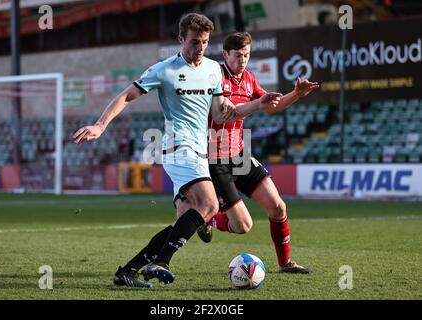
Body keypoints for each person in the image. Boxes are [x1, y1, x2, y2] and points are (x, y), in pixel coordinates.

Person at [73, 14, 283, 288]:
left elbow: (221, 114)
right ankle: (161, 262)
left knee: (189, 219)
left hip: (200, 150)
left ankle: (127, 271)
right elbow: (126, 95)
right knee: (208, 204)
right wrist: (101, 125)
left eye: (205, 42)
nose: (200, 47)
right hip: (178, 147)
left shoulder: (211, 70)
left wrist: (258, 103)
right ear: (181, 39)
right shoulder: (164, 70)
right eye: (194, 42)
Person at [197, 32, 319, 273]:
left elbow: (271, 106)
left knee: (278, 207)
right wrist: (258, 104)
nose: (243, 60)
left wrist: (296, 94)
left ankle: (285, 263)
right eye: (238, 55)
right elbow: (228, 112)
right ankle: (207, 218)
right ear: (225, 54)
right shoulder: (213, 77)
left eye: (247, 55)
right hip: (215, 159)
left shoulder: (250, 79)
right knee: (242, 225)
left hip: (239, 154)